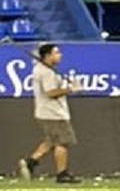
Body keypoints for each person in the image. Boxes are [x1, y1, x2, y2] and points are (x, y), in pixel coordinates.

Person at [19, 42, 78, 183]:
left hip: (48, 112)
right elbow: (51, 93)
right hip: (53, 113)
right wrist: (71, 89)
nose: (59, 55)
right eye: (56, 52)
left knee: (51, 141)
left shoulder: (44, 69)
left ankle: (31, 162)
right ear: (47, 55)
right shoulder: (46, 72)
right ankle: (62, 174)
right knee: (62, 142)